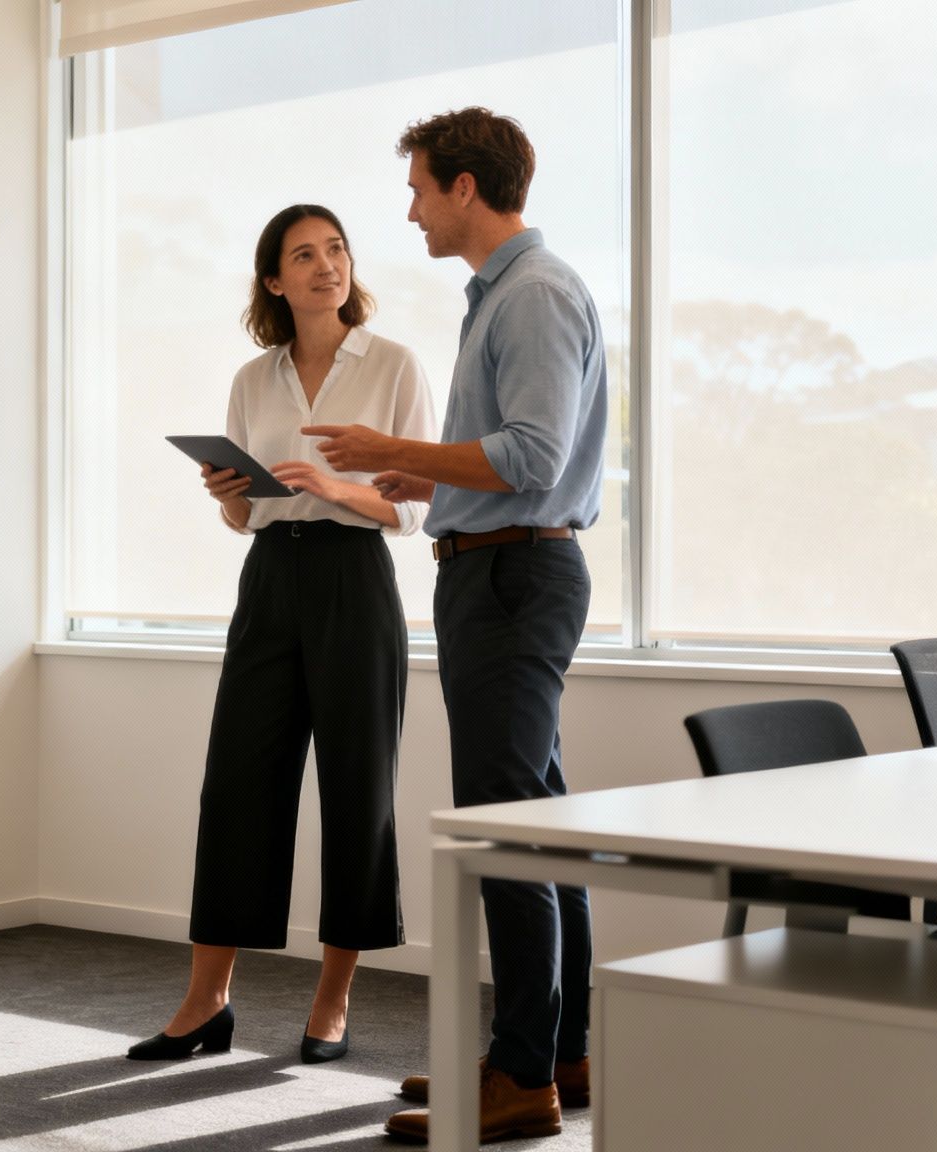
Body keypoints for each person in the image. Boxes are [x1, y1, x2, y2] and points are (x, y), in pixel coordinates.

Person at [300, 108, 608, 1144]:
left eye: (420, 188)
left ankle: (519, 1079)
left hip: (512, 579)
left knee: (505, 829)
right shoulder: (507, 294)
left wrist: (397, 447)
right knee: (538, 820)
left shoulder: (528, 295)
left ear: (464, 189)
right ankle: (556, 1050)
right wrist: (419, 472)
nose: (410, 208)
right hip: (502, 566)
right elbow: (511, 460)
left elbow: (526, 455)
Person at [126, 204, 436, 1066]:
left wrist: (338, 491)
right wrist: (227, 490)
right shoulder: (252, 378)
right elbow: (242, 515)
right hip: (268, 578)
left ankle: (332, 1001)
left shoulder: (395, 365)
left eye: (335, 249)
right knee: (236, 789)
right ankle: (205, 1001)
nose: (325, 265)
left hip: (354, 580)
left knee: (356, 791)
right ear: (275, 279)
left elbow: (417, 506)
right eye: (304, 254)